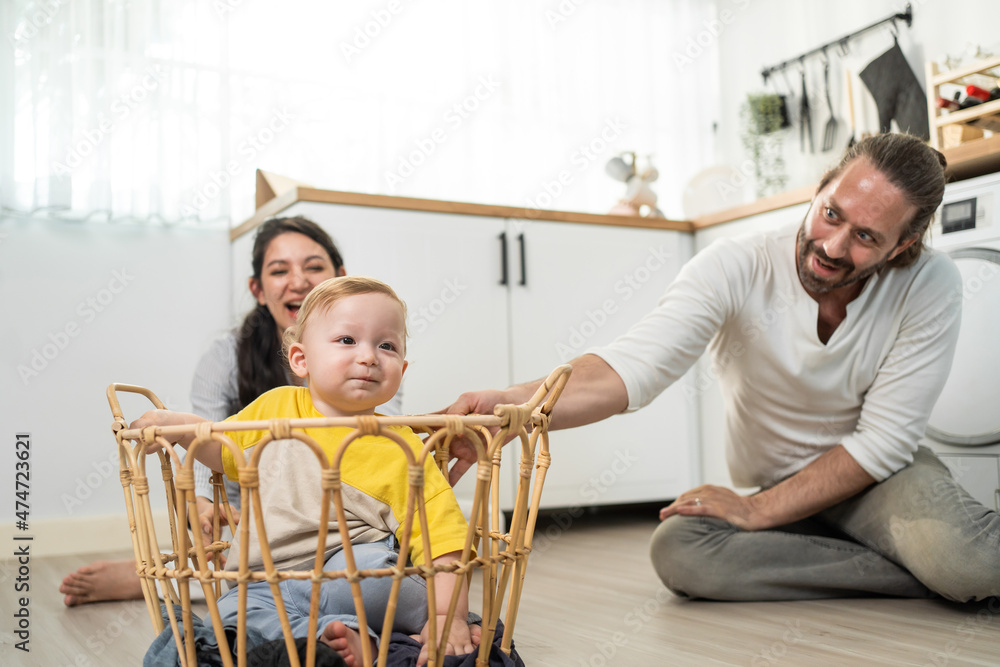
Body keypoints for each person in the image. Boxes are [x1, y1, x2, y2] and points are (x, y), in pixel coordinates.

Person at [446, 133, 1000, 602]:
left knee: (970, 563)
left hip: (882, 478)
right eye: (832, 213)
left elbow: (884, 444)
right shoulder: (737, 265)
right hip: (781, 485)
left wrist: (758, 513)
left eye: (865, 237)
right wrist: (513, 407)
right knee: (683, 551)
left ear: (902, 245)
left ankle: (947, 573)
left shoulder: (931, 282)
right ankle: (922, 578)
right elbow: (633, 367)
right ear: (820, 191)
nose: (831, 245)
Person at [133, 276, 480, 665]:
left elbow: (443, 538)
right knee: (231, 617)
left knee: (378, 577)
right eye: (347, 341)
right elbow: (224, 453)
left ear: (402, 367)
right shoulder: (276, 407)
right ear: (302, 360)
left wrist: (447, 617)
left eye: (387, 346)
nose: (368, 356)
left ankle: (359, 632)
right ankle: (339, 638)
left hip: (351, 576)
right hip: (265, 579)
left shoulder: (400, 446)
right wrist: (179, 425)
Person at [60, 216, 401, 606]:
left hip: (346, 517)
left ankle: (177, 579)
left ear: (339, 277)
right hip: (253, 516)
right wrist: (203, 504)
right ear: (258, 289)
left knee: (370, 563)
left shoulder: (370, 360)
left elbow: (380, 445)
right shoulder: (225, 357)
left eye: (314, 267)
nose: (299, 281)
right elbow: (207, 436)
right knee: (247, 560)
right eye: (279, 270)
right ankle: (185, 574)